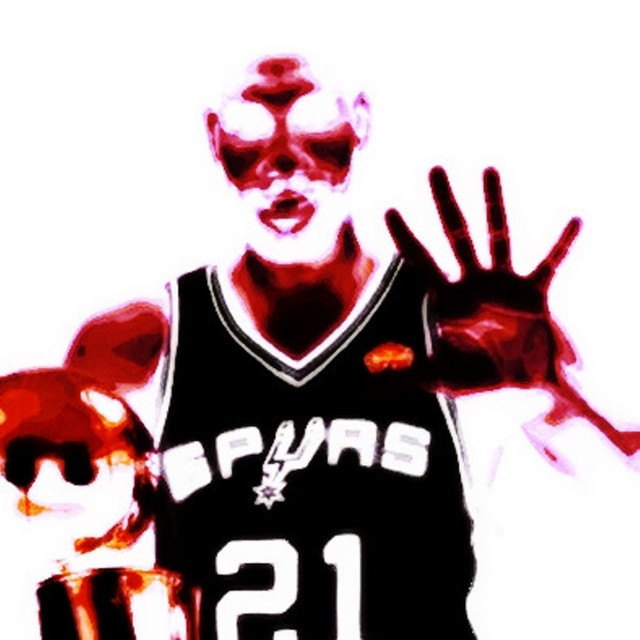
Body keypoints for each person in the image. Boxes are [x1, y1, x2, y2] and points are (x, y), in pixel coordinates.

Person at [65, 55, 638, 639]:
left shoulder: (461, 332)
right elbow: (48, 533)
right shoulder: (143, 344)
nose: (284, 162)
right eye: (251, 132)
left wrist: (548, 395)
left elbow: (626, 495)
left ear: (358, 123)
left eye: (314, 125)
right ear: (215, 138)